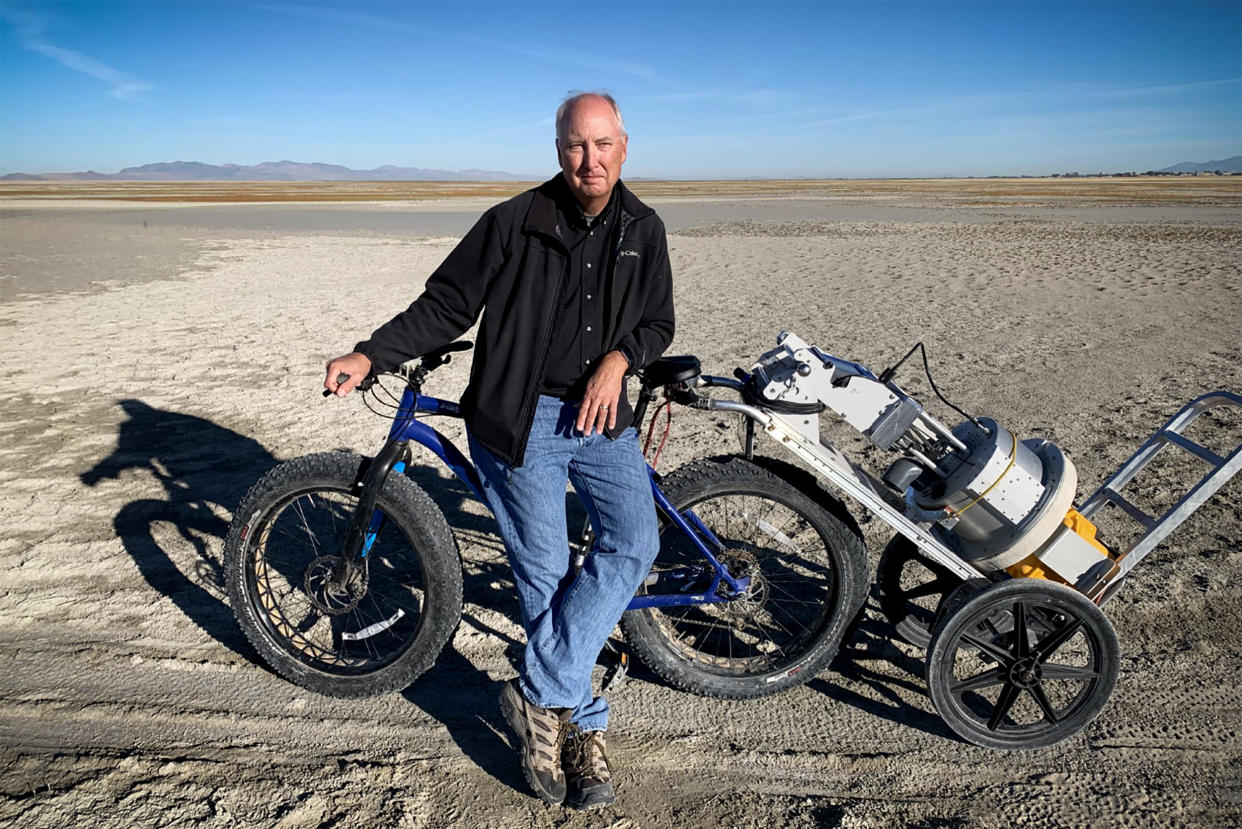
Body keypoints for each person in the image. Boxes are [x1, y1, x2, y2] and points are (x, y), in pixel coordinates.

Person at [324, 91, 674, 809]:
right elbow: (447, 304)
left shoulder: (645, 228)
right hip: (522, 419)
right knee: (546, 575)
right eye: (578, 145)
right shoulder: (513, 223)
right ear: (557, 148)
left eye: (603, 144)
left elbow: (658, 322)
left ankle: (539, 694)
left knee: (634, 543)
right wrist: (371, 353)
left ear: (625, 147)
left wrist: (620, 360)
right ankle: (581, 727)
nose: (590, 160)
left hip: (603, 416)